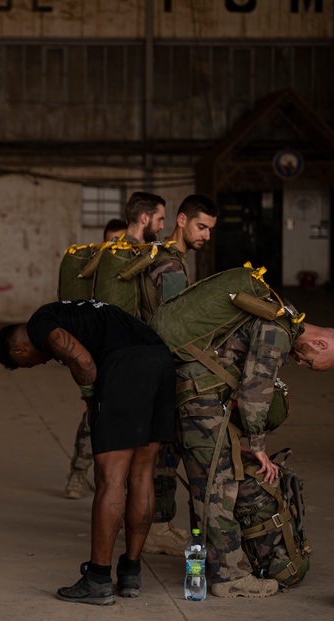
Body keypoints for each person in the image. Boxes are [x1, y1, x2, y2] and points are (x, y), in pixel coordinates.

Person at [152, 282, 334, 597]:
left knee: (206, 487)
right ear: (322, 343)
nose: (300, 364)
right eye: (310, 362)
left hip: (193, 397)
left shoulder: (274, 310)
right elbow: (257, 387)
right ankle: (230, 578)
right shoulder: (277, 327)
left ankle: (208, 565)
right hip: (203, 404)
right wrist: (258, 446)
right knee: (219, 488)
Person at [0, 300, 176, 605]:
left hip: (125, 369)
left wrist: (93, 403)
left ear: (20, 351)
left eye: (33, 364)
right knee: (142, 474)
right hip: (160, 362)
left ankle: (98, 578)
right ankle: (131, 571)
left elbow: (84, 362)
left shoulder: (40, 324)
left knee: (111, 479)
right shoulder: (72, 311)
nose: (42, 363)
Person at [139, 195, 219, 556]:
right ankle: (157, 526)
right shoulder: (171, 266)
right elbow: (174, 327)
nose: (206, 235)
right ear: (182, 220)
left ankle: (157, 524)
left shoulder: (164, 256)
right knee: (163, 451)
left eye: (210, 229)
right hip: (161, 368)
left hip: (149, 364)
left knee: (160, 450)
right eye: (201, 226)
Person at [63, 218, 134, 500]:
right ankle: (78, 474)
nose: (115, 247)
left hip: (126, 352)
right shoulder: (94, 270)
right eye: (111, 241)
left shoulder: (131, 266)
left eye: (120, 241)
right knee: (94, 415)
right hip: (99, 352)